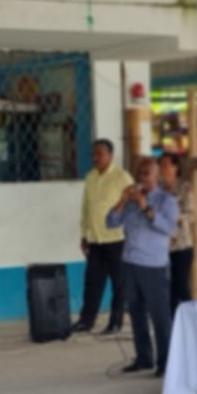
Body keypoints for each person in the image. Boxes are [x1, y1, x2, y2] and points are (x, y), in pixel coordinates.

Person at [107, 156, 179, 377]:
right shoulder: (131, 200)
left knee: (159, 316)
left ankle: (165, 363)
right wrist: (122, 201)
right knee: (136, 313)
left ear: (157, 176)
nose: (142, 178)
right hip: (130, 263)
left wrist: (145, 207)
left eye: (147, 173)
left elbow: (169, 228)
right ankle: (144, 358)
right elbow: (110, 222)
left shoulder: (166, 201)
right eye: (139, 173)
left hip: (153, 266)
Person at [74, 139, 133, 335]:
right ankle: (86, 321)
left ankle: (115, 322)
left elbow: (131, 205)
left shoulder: (122, 177)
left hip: (117, 239)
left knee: (119, 284)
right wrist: (84, 234)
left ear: (110, 155)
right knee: (92, 282)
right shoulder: (90, 176)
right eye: (93, 154)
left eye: (100, 154)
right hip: (96, 239)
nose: (95, 158)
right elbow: (86, 208)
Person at [158, 152, 196, 315]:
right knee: (168, 287)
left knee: (181, 285)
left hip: (181, 245)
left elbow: (192, 214)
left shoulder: (184, 187)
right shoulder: (157, 188)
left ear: (176, 167)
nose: (163, 168)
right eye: (161, 165)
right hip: (161, 246)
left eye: (166, 165)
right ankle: (173, 322)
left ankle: (193, 315)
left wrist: (177, 217)